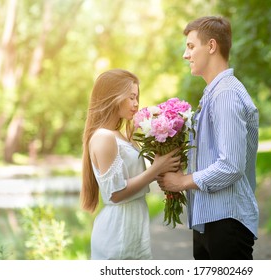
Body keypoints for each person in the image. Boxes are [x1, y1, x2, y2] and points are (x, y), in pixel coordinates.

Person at [158, 16, 259, 260]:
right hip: (210, 220)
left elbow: (231, 165)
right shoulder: (212, 94)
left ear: (211, 46)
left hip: (226, 222)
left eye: (191, 46)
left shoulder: (225, 94)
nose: (185, 54)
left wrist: (181, 182)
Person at [80, 69, 180, 260]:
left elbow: (134, 175)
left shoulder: (120, 136)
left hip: (133, 230)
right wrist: (156, 168)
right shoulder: (104, 138)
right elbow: (115, 194)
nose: (136, 103)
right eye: (131, 97)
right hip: (118, 234)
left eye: (137, 97)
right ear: (113, 97)